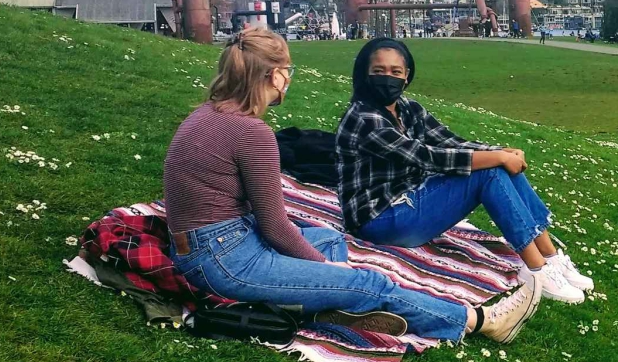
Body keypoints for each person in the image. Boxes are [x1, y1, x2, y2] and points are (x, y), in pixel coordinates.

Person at [164, 31, 541, 344]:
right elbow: (276, 228)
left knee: (328, 240)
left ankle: (333, 309)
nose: (289, 78)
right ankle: (480, 320)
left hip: (210, 244)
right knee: (366, 282)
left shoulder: (207, 115)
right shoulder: (252, 132)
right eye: (287, 70)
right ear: (273, 76)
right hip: (224, 258)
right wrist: (335, 277)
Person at [336, 37, 592, 305]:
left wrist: (502, 151)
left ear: (406, 76)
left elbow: (450, 141)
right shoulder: (363, 119)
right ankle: (536, 271)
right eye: (379, 71)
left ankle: (550, 257)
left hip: (409, 202)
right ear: (365, 73)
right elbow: (427, 157)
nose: (387, 78)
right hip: (379, 221)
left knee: (498, 164)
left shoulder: (409, 108)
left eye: (395, 72)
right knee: (489, 171)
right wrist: (497, 158)